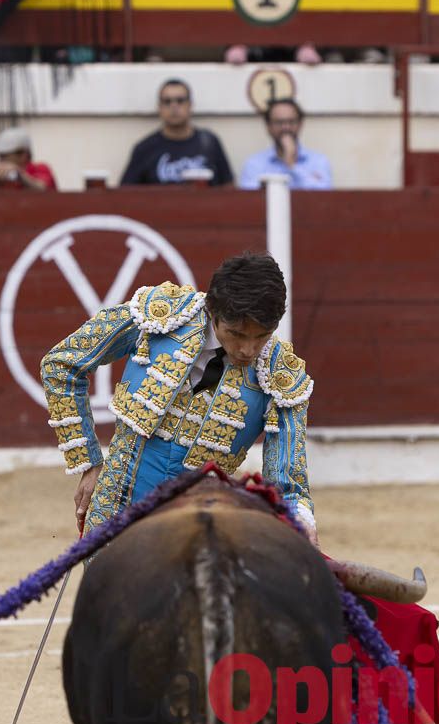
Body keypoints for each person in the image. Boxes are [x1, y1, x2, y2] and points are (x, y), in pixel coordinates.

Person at [40, 252, 315, 542]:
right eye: (236, 334)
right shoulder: (160, 315)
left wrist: (300, 522)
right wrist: (88, 461)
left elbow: (287, 484)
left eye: (262, 336)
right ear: (212, 310)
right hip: (116, 512)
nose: (248, 349)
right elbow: (62, 364)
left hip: (202, 532)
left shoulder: (281, 375)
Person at [120, 79, 234, 186]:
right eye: (167, 101)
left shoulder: (210, 142)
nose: (174, 106)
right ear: (159, 107)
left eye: (180, 101)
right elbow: (125, 196)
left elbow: (228, 189)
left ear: (190, 105)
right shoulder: (144, 149)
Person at [239, 97, 333, 190]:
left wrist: (292, 165)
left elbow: (323, 195)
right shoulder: (254, 164)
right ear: (268, 126)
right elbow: (249, 199)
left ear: (300, 124)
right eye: (279, 122)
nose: (286, 127)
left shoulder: (318, 161)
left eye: (291, 122)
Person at [0, 127, 56, 191]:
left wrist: (19, 174)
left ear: (23, 155)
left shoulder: (40, 168)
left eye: (4, 155)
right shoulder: (5, 177)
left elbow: (43, 189)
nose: (0, 160)